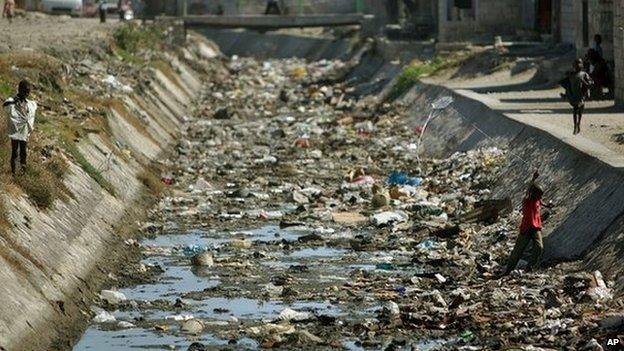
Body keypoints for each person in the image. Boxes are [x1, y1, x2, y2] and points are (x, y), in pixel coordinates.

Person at [503, 171, 553, 276]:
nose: (540, 196)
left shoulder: (538, 199)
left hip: (535, 228)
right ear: (533, 193)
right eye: (538, 194)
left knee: (539, 247)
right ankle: (508, 270)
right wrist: (533, 178)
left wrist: (548, 205)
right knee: (518, 251)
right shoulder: (527, 200)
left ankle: (529, 268)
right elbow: (529, 189)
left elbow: (541, 202)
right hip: (526, 228)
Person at [4, 80, 37, 175]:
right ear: (19, 90)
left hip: (24, 131)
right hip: (15, 130)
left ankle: (23, 172)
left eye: (28, 92)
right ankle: (13, 173)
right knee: (15, 152)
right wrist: (14, 101)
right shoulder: (13, 101)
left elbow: (32, 108)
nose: (27, 94)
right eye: (25, 91)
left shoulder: (28, 103)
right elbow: (5, 105)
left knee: (24, 152)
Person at [565, 59, 593, 135]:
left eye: (579, 65)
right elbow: (566, 83)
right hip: (574, 95)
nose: (577, 66)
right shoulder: (571, 75)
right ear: (574, 66)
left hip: (581, 95)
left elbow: (590, 83)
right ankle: (575, 126)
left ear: (582, 66)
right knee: (575, 110)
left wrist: (585, 84)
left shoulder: (584, 74)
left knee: (579, 111)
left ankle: (578, 124)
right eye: (576, 65)